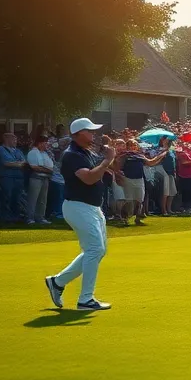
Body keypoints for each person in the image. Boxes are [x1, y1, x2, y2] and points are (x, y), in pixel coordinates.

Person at [45, 118, 115, 311]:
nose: (93, 134)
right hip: (78, 206)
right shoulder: (72, 155)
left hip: (92, 207)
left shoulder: (86, 152)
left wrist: (110, 159)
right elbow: (89, 178)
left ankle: (57, 282)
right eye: (89, 131)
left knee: (98, 250)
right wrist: (108, 160)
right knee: (94, 249)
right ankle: (86, 299)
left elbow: (100, 172)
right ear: (77, 134)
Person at [25, 136, 55, 224]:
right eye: (45, 143)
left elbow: (50, 166)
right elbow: (35, 167)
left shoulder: (45, 153)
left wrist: (48, 169)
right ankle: (30, 218)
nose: (47, 145)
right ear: (40, 143)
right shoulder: (33, 153)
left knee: (43, 199)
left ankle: (40, 217)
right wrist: (48, 170)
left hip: (45, 178)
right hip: (36, 178)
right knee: (33, 198)